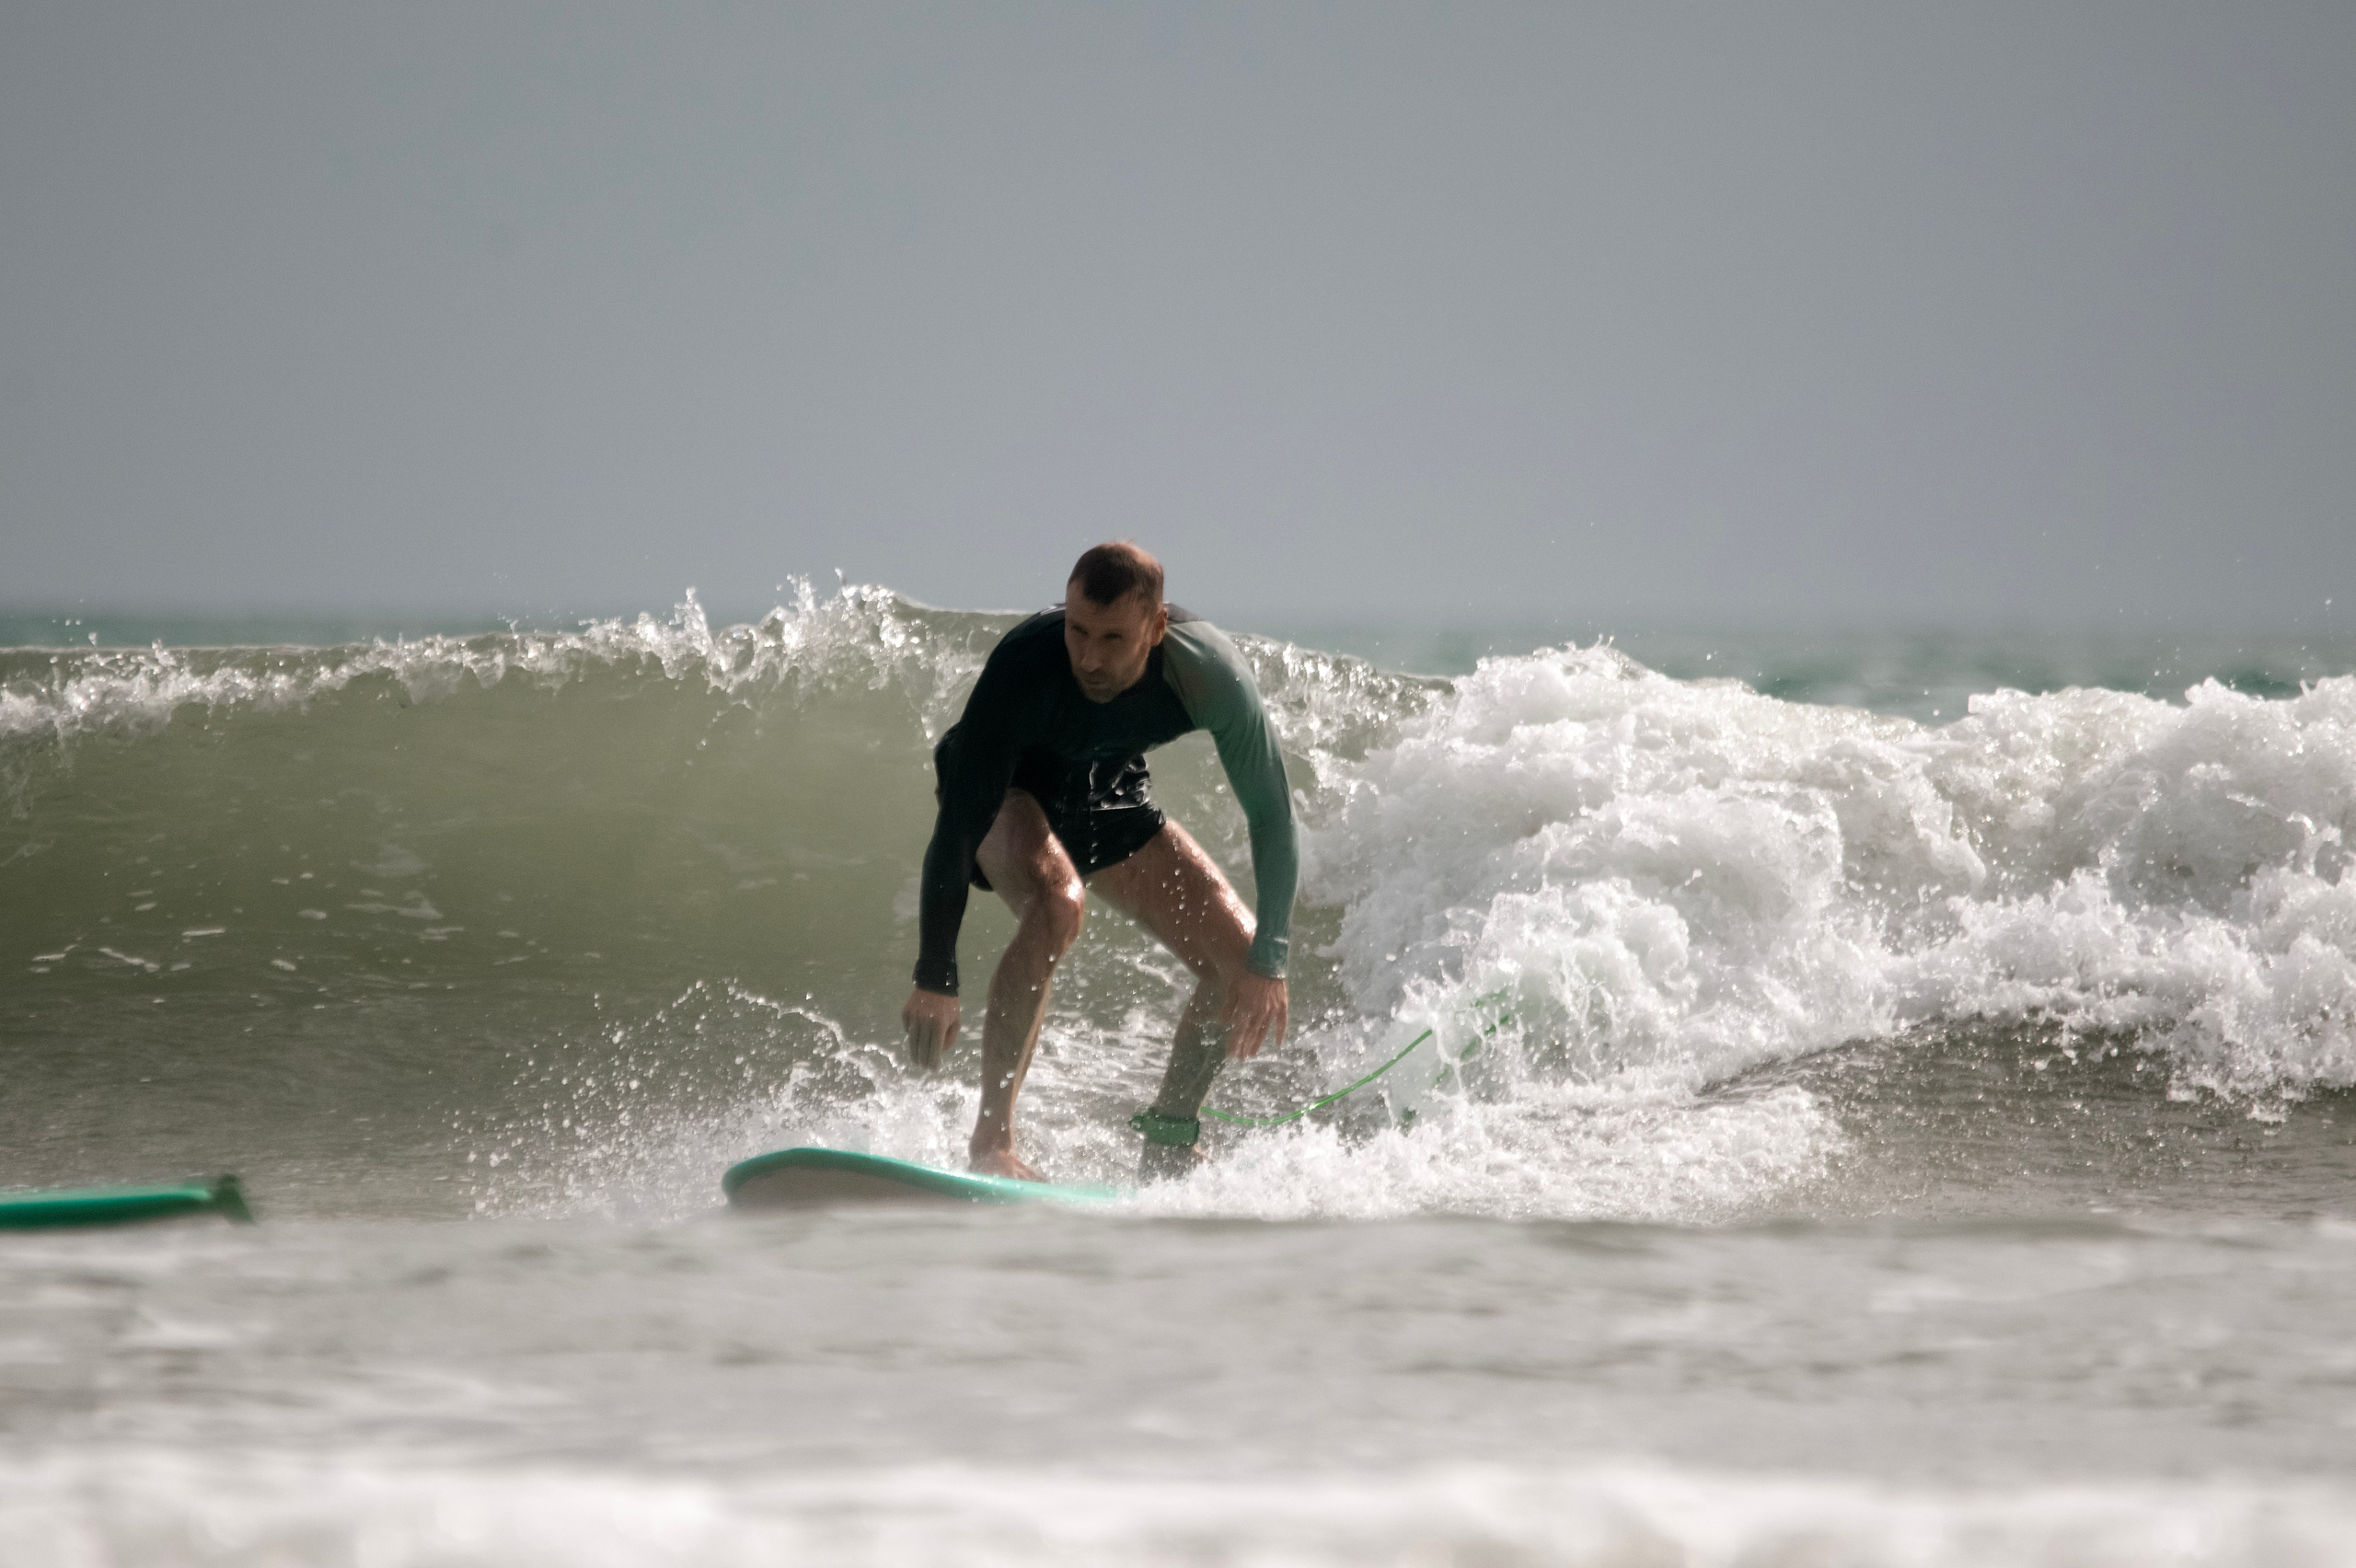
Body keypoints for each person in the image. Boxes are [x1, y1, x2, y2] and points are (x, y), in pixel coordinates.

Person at [901, 542, 1296, 1182]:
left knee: (1239, 960)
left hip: (1106, 792)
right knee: (1057, 906)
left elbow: (1273, 816)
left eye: (1113, 638)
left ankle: (1170, 1134)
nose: (1088, 656)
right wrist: (934, 975)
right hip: (1008, 793)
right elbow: (957, 826)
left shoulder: (1208, 675)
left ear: (1157, 627)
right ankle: (992, 1143)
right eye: (1078, 630)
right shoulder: (1025, 664)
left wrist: (1271, 959)